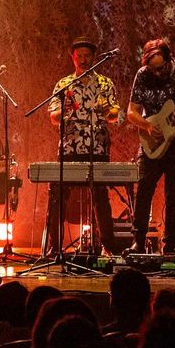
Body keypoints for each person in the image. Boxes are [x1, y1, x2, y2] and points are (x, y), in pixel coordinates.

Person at [45, 37, 123, 253]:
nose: (83, 60)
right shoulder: (64, 84)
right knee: (58, 197)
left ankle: (109, 246)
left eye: (87, 56)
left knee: (100, 197)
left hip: (97, 147)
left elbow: (115, 116)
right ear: (73, 58)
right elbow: (53, 117)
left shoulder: (105, 84)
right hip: (70, 148)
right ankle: (55, 247)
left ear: (94, 58)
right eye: (79, 56)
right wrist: (66, 109)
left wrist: (109, 111)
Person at [124, 38, 175, 254]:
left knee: (173, 194)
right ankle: (138, 240)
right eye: (153, 69)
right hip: (152, 141)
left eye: (161, 68)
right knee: (144, 189)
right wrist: (147, 126)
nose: (157, 74)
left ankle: (170, 245)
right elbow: (131, 112)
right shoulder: (143, 75)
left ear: (170, 59)